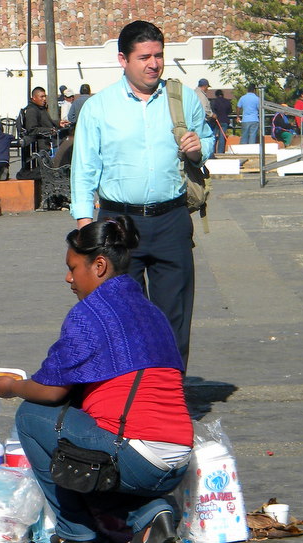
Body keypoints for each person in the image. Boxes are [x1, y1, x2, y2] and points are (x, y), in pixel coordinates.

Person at [0, 217, 192, 543]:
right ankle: (151, 513)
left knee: (32, 417)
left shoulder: (91, 313)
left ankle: (75, 532)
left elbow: (51, 391)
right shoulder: (152, 312)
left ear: (99, 266)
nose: (68, 278)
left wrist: (13, 387)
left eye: (72, 268)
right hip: (176, 459)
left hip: (136, 456)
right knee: (85, 437)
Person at [70, 20, 214, 368]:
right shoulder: (99, 107)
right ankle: (131, 394)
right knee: (123, 317)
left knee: (174, 317)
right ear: (123, 59)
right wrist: (86, 224)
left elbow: (206, 140)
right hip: (118, 224)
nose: (154, 64)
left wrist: (198, 148)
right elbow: (84, 167)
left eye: (159, 55)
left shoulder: (182, 100)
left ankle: (170, 392)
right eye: (144, 57)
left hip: (172, 221)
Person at [24, 86, 60, 151]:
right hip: (41, 146)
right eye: (41, 97)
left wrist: (59, 123)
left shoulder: (41, 108)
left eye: (45, 96)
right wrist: (49, 130)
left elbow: (47, 122)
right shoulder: (32, 110)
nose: (44, 99)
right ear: (34, 98)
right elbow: (32, 129)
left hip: (49, 142)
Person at [211, 90, 232, 154]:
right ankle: (220, 152)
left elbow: (212, 110)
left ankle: (212, 151)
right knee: (222, 137)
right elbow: (230, 111)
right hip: (225, 120)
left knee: (213, 136)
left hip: (216, 121)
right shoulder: (227, 101)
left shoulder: (214, 102)